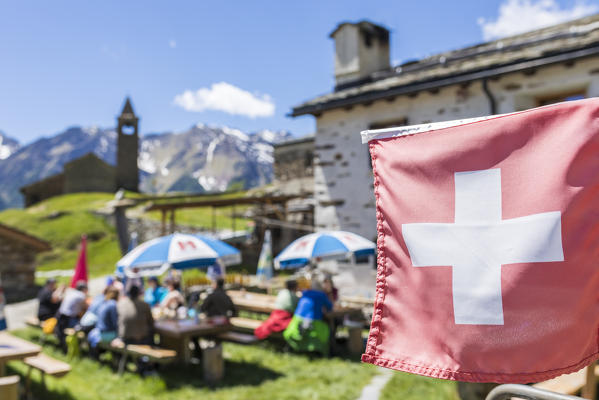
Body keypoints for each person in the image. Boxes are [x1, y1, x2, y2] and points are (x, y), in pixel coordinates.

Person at [283, 280, 333, 356]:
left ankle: (296, 347)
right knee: (327, 328)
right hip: (314, 322)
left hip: (297, 320)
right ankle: (325, 350)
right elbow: (330, 307)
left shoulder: (305, 293)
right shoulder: (321, 295)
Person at [55, 281, 88, 351]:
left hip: (59, 315)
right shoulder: (81, 295)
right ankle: (78, 346)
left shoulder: (71, 292)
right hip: (68, 318)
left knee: (62, 332)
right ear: (84, 289)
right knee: (82, 326)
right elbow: (86, 307)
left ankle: (63, 345)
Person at [87, 287, 119, 353]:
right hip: (106, 335)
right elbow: (115, 322)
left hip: (98, 332)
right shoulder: (113, 304)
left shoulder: (104, 303)